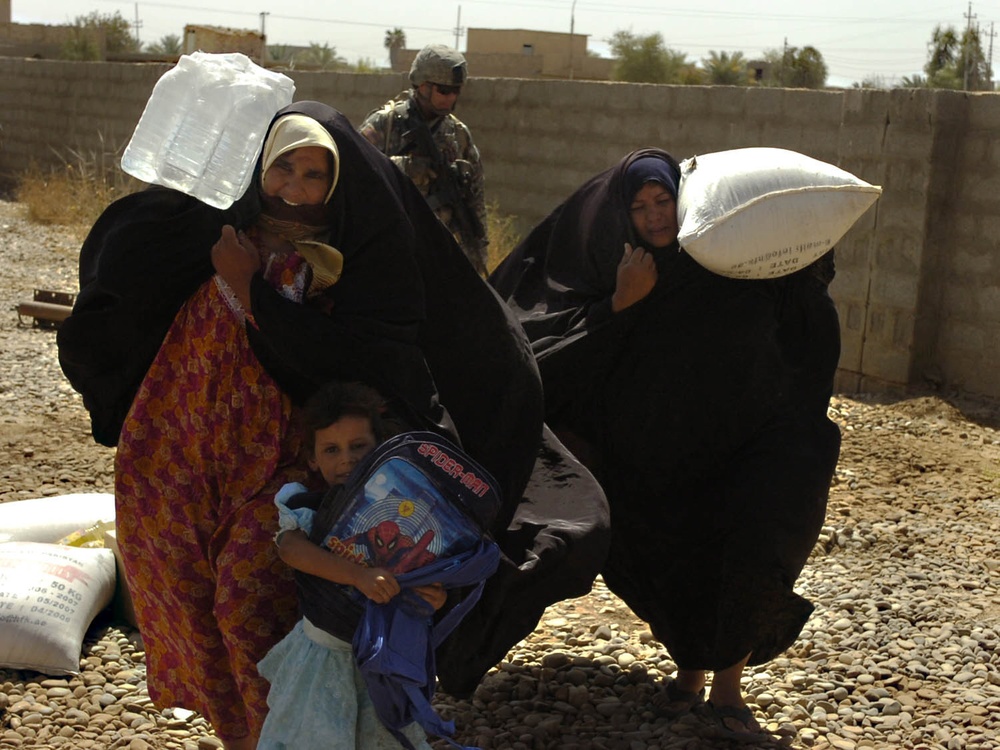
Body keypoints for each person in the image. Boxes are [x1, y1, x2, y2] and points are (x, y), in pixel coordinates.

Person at [57, 101, 608, 746]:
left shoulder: (351, 258)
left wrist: (253, 292)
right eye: (281, 168)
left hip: (281, 462)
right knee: (179, 589)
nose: (295, 188)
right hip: (182, 450)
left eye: (314, 175)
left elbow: (364, 356)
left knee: (248, 603)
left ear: (338, 183)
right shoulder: (212, 235)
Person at [489, 149, 842, 741]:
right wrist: (621, 305)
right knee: (674, 556)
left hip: (749, 444)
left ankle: (728, 690)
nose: (656, 217)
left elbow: (801, 307)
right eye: (640, 206)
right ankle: (690, 671)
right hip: (662, 455)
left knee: (752, 544)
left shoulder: (727, 257)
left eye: (664, 202)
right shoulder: (617, 269)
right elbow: (547, 356)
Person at [257, 380, 445, 750]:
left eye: (359, 446)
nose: (347, 459)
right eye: (331, 449)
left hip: (385, 663)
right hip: (323, 658)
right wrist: (358, 576)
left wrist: (432, 599)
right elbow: (291, 549)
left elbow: (424, 577)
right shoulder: (309, 506)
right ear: (312, 458)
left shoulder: (408, 515)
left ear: (381, 446)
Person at [359, 44, 489, 275]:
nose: (451, 97)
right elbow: (356, 174)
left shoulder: (458, 135)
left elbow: (476, 197)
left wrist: (479, 251)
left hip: (440, 255)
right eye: (444, 90)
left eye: (455, 91)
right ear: (422, 85)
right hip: (391, 250)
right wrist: (404, 168)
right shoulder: (385, 124)